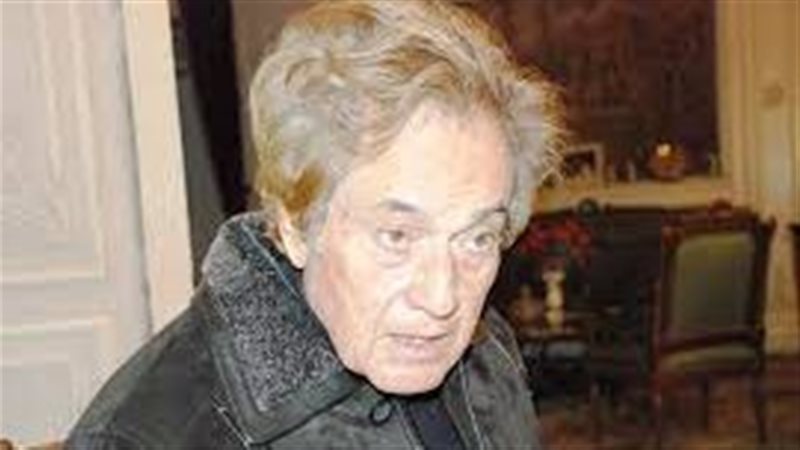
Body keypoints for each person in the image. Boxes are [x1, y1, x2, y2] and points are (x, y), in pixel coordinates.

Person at [66, 0, 562, 448]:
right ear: (296, 227)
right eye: (396, 237)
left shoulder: (487, 354)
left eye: (476, 239)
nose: (442, 299)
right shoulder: (145, 437)